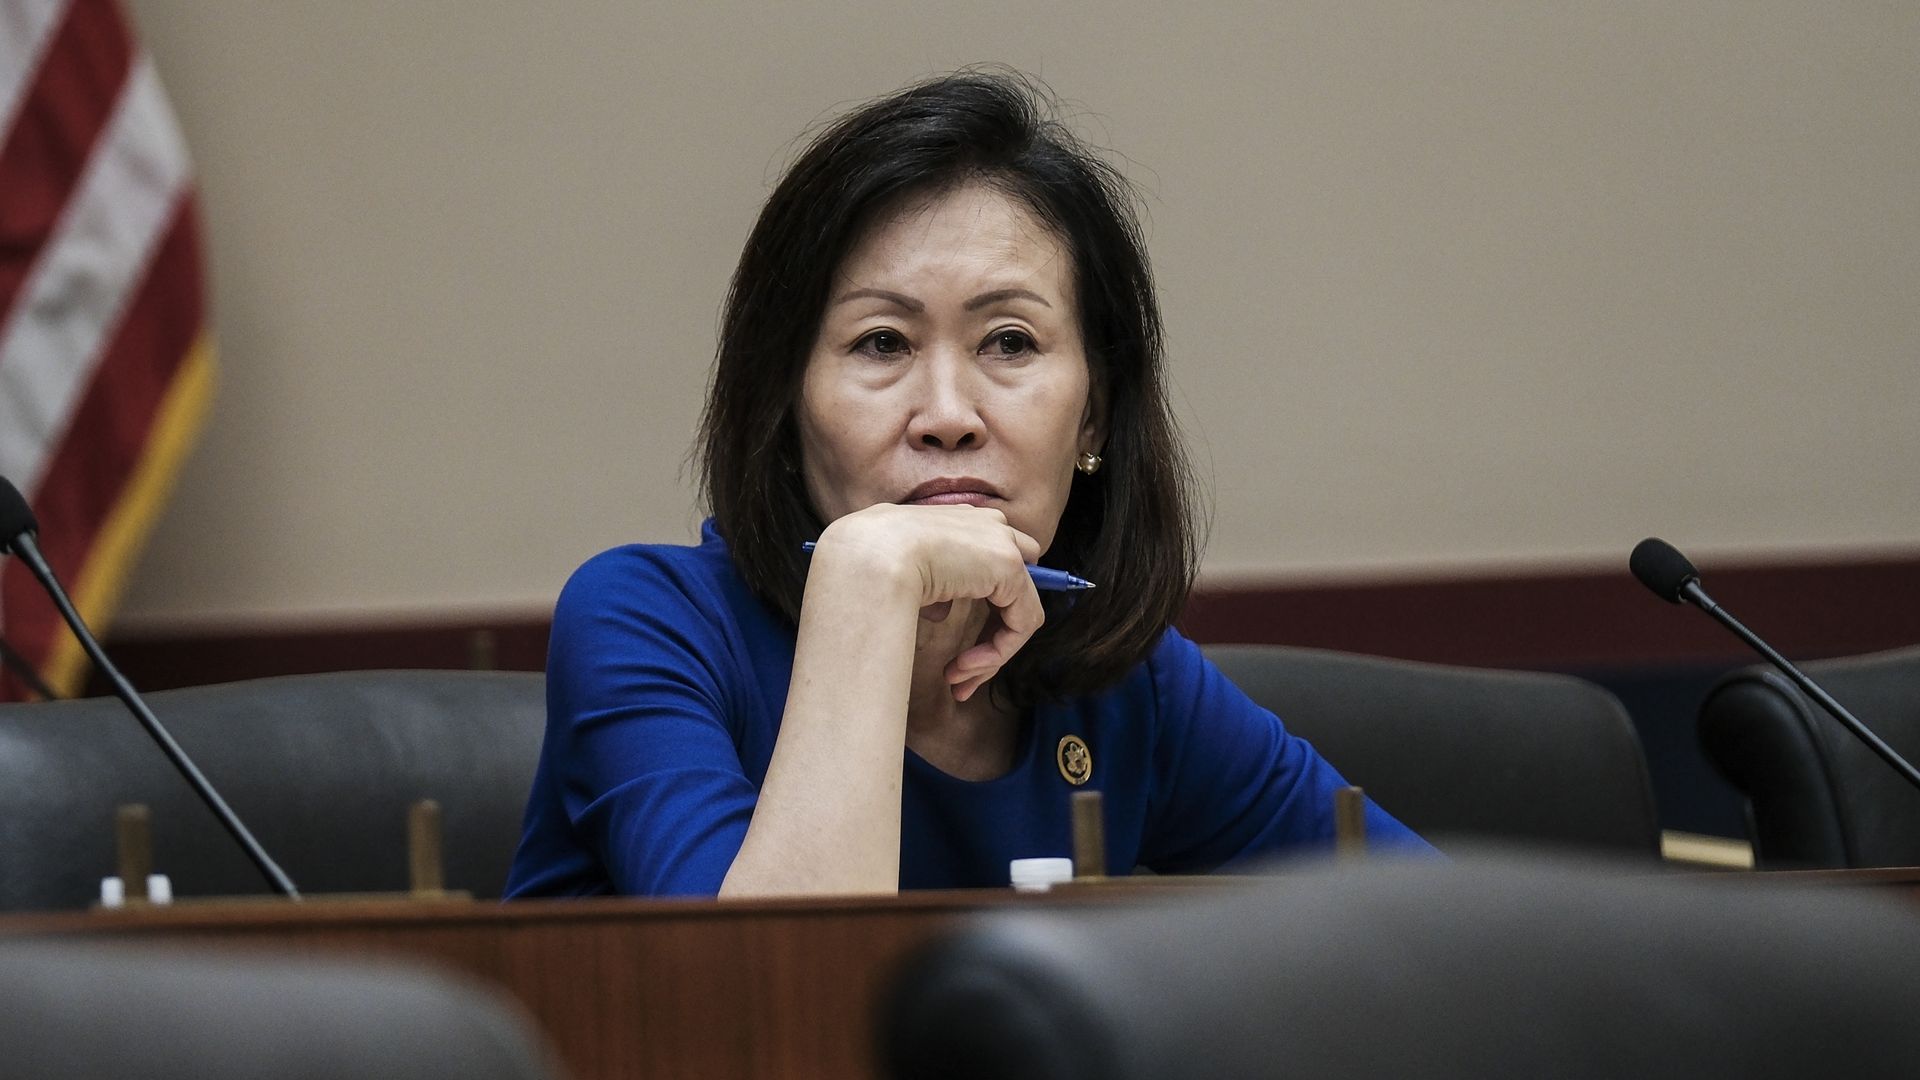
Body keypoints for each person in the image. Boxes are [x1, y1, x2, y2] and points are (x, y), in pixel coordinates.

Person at [506, 70, 1430, 899]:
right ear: (784, 405)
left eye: (1010, 343)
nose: (948, 413)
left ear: (1095, 417)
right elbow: (773, 1013)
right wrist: (866, 582)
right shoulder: (647, 624)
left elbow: (1448, 944)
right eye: (881, 343)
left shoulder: (1125, 683)